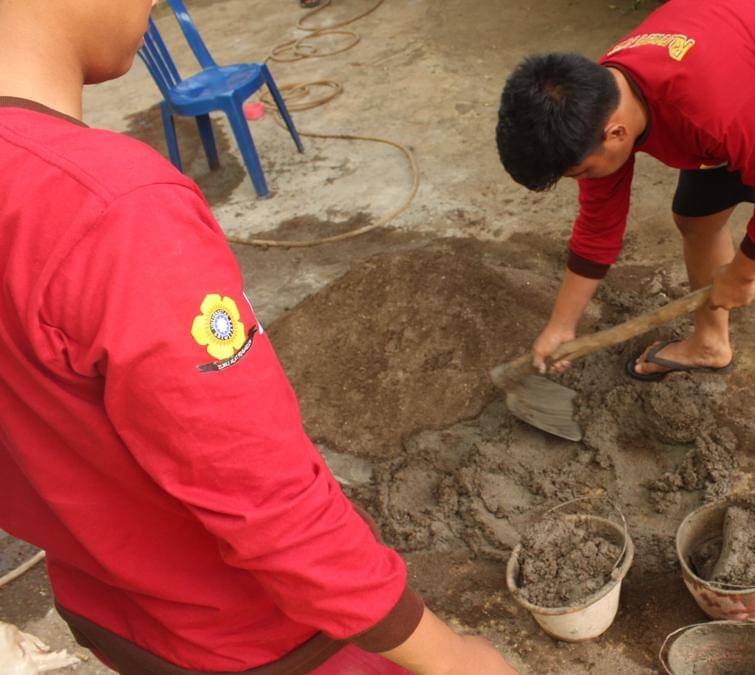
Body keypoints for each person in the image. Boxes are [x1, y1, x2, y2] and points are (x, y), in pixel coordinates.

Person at [0, 2, 514, 673]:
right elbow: (263, 496)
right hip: (256, 639)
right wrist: (450, 655)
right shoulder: (112, 211)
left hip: (113, 610)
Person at [495, 0, 755, 507]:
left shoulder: (709, 105)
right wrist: (561, 325)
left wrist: (744, 271)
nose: (583, 181)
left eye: (579, 172)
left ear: (615, 132)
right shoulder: (597, 102)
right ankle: (711, 343)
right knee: (695, 219)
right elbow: (599, 226)